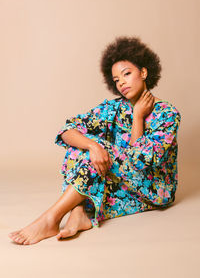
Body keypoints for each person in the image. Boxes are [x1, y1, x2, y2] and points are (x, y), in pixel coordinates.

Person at [8, 36, 181, 245]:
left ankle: (51, 219)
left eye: (127, 74)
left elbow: (140, 162)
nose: (122, 83)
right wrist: (91, 145)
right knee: (82, 145)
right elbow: (67, 130)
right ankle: (79, 212)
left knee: (98, 148)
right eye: (117, 80)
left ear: (143, 72)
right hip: (123, 187)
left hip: (154, 188)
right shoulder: (113, 107)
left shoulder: (168, 114)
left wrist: (137, 116)